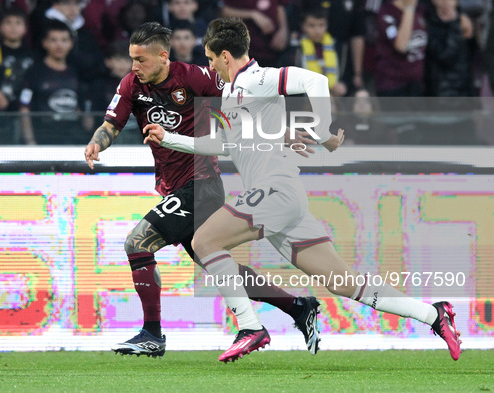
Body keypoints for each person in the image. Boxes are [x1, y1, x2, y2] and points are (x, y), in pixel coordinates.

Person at [144, 17, 463, 363]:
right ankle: (435, 314)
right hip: (282, 200)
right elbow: (225, 144)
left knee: (204, 241)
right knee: (343, 283)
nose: (209, 67)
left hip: (275, 191)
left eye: (209, 59)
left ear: (224, 55)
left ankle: (250, 327)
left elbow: (315, 80)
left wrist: (322, 129)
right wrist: (170, 138)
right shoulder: (234, 92)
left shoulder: (256, 78)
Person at [84, 21, 323, 358]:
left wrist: (280, 130)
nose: (134, 67)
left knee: (137, 243)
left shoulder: (195, 77)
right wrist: (97, 144)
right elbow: (111, 124)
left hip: (201, 184)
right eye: (132, 59)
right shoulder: (130, 85)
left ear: (163, 56)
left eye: (141, 60)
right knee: (218, 263)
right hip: (173, 188)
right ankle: (298, 306)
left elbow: (246, 101)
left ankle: (152, 334)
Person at [19, 20, 92, 145]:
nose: (59, 45)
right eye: (54, 40)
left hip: (73, 139)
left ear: (71, 43)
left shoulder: (77, 73)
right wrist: (30, 141)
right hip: (44, 139)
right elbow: (24, 109)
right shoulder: (34, 73)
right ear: (45, 43)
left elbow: (82, 108)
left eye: (64, 40)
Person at [297, 7, 347, 97]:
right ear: (303, 26)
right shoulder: (296, 50)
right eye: (312, 26)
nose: (317, 31)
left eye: (321, 25)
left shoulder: (338, 47)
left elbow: (345, 78)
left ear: (327, 26)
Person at [0, 7, 34, 112]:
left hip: (27, 108)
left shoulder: (33, 55)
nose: (13, 27)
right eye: (8, 23)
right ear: (0, 27)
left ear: (25, 28)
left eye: (18, 23)